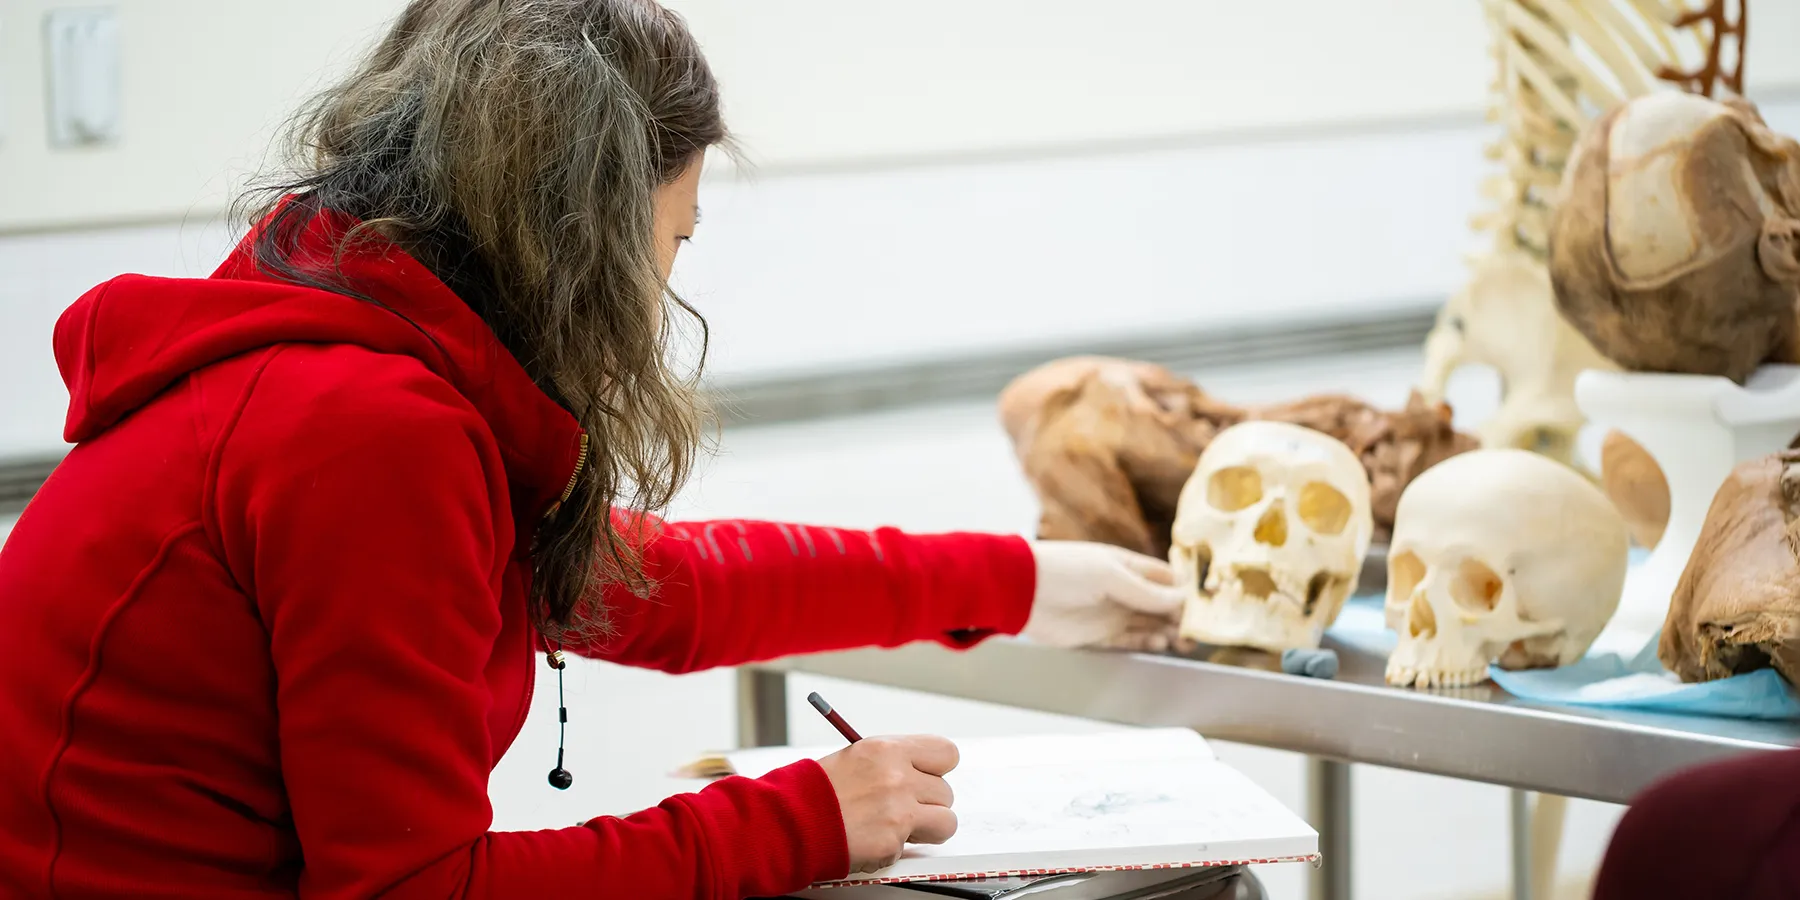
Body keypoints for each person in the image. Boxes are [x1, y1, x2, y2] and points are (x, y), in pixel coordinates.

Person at [0, 1, 1185, 897]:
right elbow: (417, 891)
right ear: (581, 244)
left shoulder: (349, 343)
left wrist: (1019, 582)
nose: (667, 288)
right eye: (672, 236)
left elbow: (655, 586)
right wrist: (802, 819)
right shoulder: (366, 437)